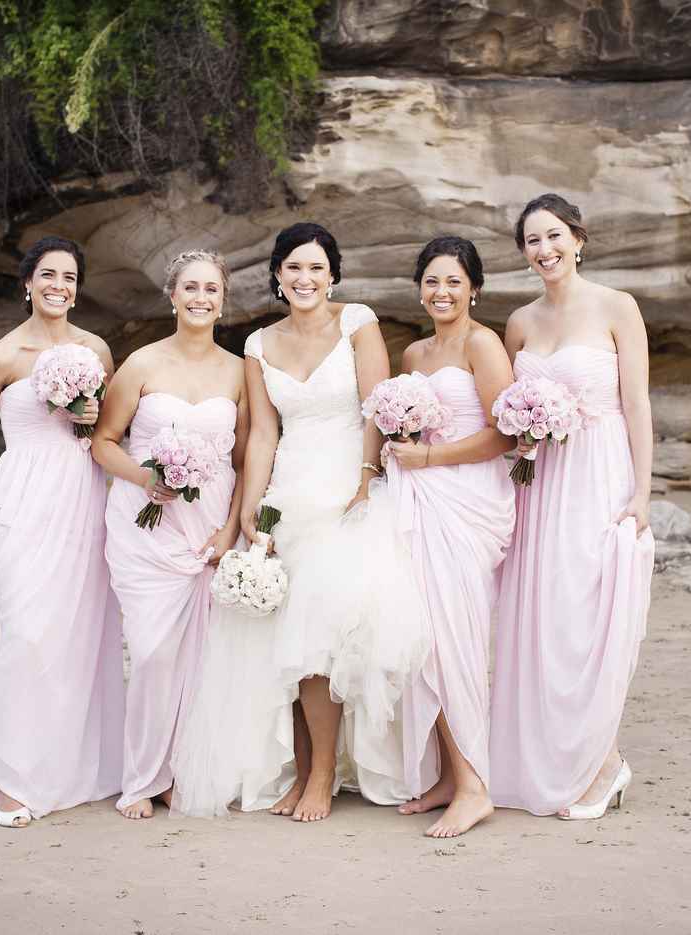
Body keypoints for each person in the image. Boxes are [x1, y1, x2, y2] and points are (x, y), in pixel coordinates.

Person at [170, 222, 428, 821]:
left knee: (324, 632)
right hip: (290, 490)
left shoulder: (358, 323)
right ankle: (307, 771)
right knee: (285, 636)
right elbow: (262, 434)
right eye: (293, 268)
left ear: (332, 275)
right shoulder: (260, 345)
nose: (304, 278)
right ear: (278, 276)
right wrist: (250, 516)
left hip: (347, 489)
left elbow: (376, 406)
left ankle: (320, 779)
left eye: (315, 268)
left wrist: (366, 480)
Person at [490, 194, 656, 820]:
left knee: (591, 620)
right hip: (541, 484)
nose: (545, 250)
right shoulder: (521, 322)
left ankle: (604, 765)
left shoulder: (618, 307)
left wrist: (641, 493)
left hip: (600, 474)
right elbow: (507, 415)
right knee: (545, 622)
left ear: (578, 238)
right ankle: (564, 762)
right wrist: (524, 434)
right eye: (532, 241)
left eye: (554, 236)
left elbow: (636, 404)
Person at [0, 235, 124, 828]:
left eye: (70, 277)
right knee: (26, 633)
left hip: (84, 497)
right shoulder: (3, 355)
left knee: (82, 634)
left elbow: (112, 433)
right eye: (49, 275)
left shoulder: (96, 348)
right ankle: (12, 779)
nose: (60, 286)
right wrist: (0, 493)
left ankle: (76, 769)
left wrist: (93, 418)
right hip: (25, 504)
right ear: (28, 283)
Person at [91, 250, 247, 820]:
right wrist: (147, 476)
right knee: (154, 652)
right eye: (190, 288)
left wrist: (232, 529)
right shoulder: (140, 364)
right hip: (143, 527)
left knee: (203, 656)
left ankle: (179, 771)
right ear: (172, 295)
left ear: (223, 299)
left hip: (206, 530)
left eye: (211, 289)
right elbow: (105, 440)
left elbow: (251, 453)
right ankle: (141, 778)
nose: (201, 297)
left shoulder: (238, 370)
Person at [386, 236, 516, 837]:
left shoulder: (483, 343)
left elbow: (504, 435)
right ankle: (446, 773)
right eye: (432, 282)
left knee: (454, 639)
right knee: (421, 636)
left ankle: (475, 787)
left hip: (468, 504)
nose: (442, 293)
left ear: (474, 290)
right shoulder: (412, 355)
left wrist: (430, 460)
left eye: (454, 283)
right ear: (420, 288)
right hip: (418, 502)